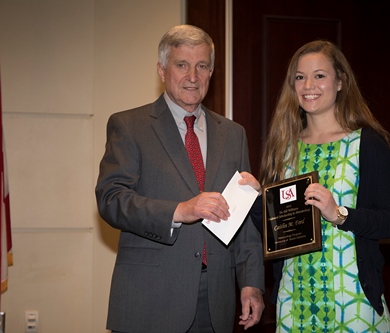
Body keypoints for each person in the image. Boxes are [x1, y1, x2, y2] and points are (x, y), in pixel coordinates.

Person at [95, 25, 265, 333]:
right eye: (182, 65)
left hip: (216, 300)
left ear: (211, 72)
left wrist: (251, 283)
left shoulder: (233, 134)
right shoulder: (129, 126)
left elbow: (244, 222)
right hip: (149, 299)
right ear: (162, 70)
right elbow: (111, 200)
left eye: (202, 66)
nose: (192, 76)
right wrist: (180, 211)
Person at [257, 40, 390, 332]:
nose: (308, 85)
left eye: (319, 75)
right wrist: (254, 200)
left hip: (353, 302)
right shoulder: (284, 148)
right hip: (294, 301)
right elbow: (273, 229)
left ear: (340, 82)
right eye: (300, 77)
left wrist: (339, 214)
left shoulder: (367, 144)